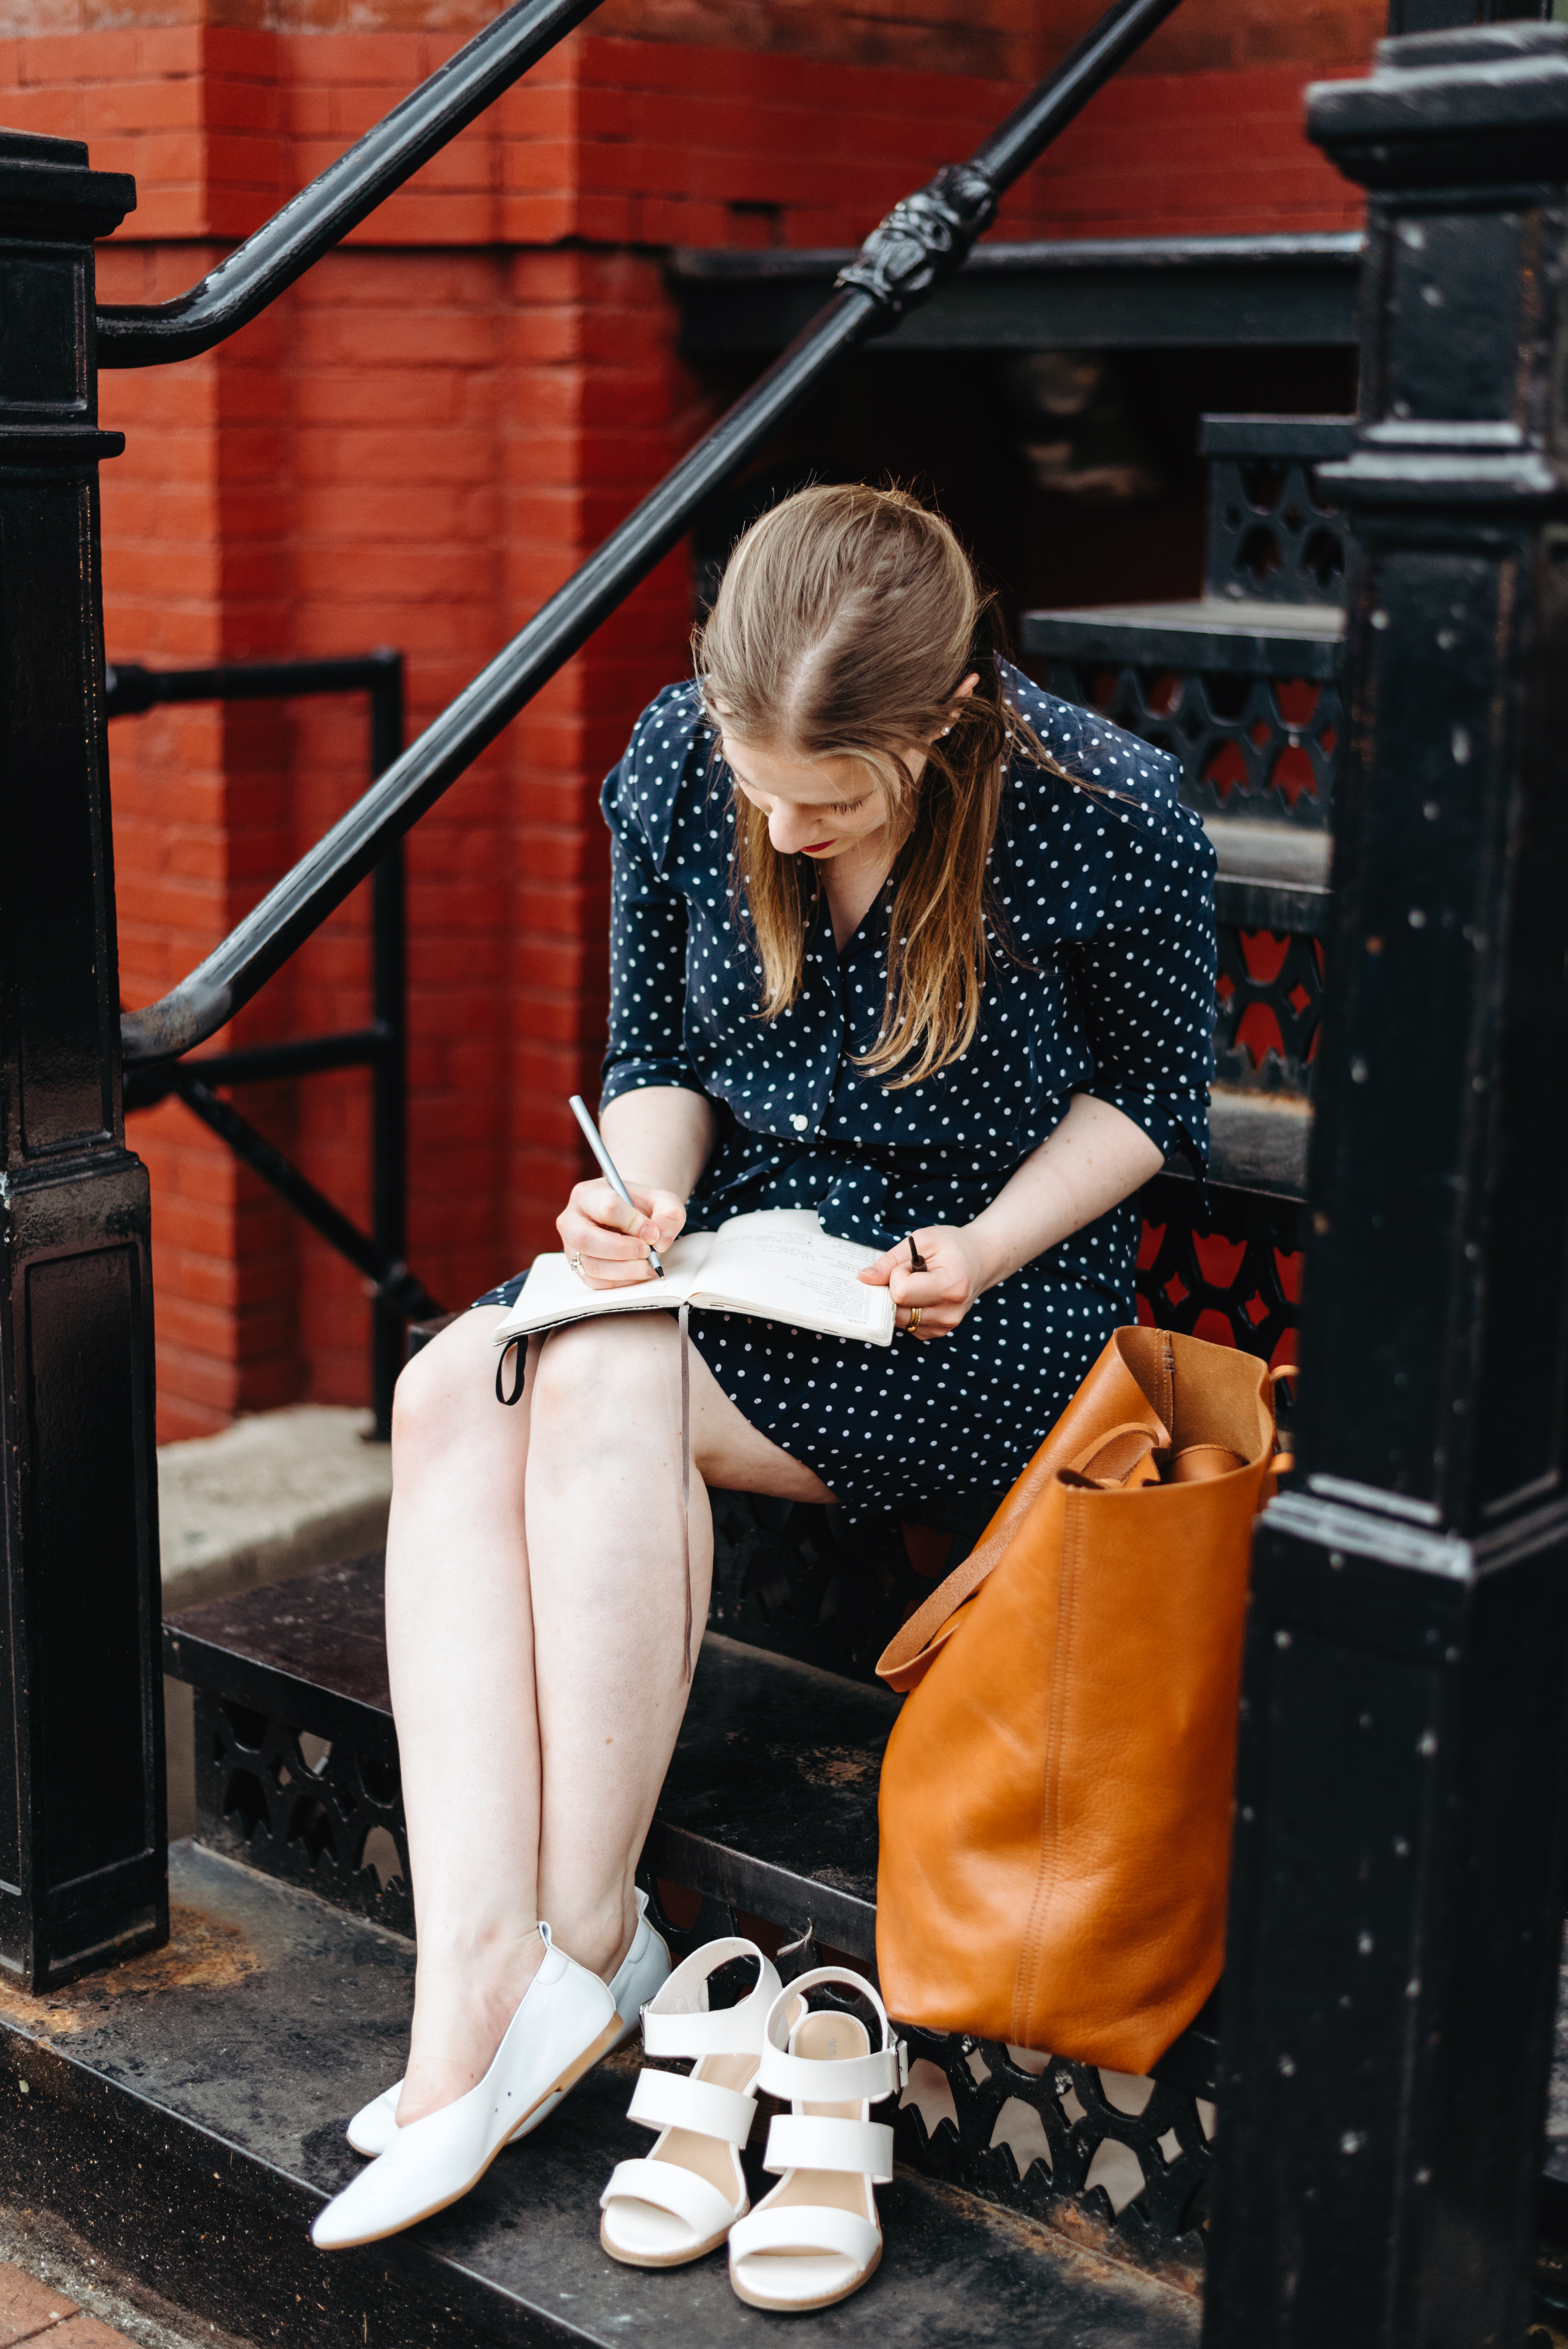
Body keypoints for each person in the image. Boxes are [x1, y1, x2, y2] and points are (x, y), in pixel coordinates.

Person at [310, 483, 1216, 2251]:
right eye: (759, 780)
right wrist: (638, 1200)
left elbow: (1154, 1099)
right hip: (743, 1251)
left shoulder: (1097, 810)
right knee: (448, 1387)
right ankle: (504, 1965)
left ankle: (543, 1970)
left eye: (832, 797)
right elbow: (652, 1052)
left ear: (942, 725)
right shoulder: (674, 756)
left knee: (586, 1385)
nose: (785, 825)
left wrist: (985, 1246)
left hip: (960, 1294)